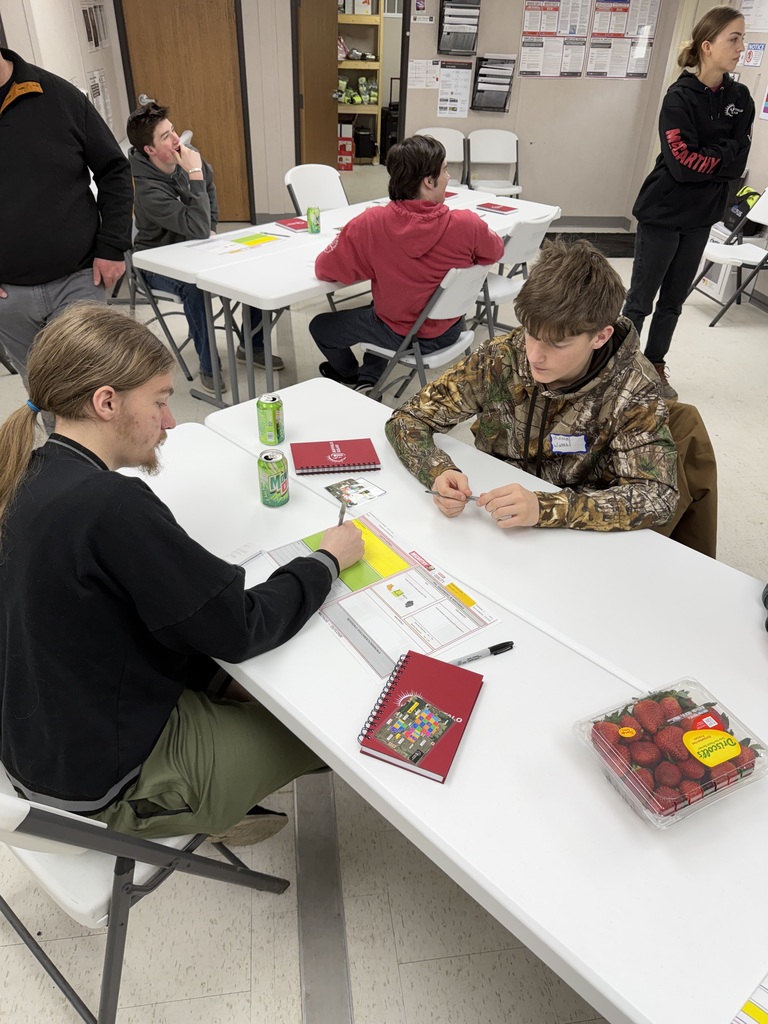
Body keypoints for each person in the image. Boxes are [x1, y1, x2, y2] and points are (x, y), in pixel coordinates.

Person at [0, 303, 364, 844]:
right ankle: (199, 805)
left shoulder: (25, 472)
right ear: (106, 403)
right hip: (105, 787)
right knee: (336, 730)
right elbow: (238, 629)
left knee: (236, 684)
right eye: (161, 401)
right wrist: (325, 560)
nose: (171, 421)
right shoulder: (112, 504)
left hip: (42, 742)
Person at [386, 238, 679, 532]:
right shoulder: (500, 357)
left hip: (574, 539)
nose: (535, 355)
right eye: (531, 333)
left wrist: (546, 508)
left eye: (557, 344)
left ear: (600, 337)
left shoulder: (634, 386)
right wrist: (438, 470)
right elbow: (408, 418)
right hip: (488, 519)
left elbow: (658, 497)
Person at [623, 6, 754, 402]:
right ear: (707, 45)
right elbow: (681, 165)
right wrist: (723, 154)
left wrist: (716, 156)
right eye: (734, 38)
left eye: (743, 38)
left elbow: (740, 162)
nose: (741, 47)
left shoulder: (741, 98)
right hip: (663, 213)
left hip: (702, 217)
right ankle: (618, 366)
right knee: (641, 299)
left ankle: (654, 364)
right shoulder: (678, 96)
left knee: (674, 301)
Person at [309, 134, 504, 394]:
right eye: (445, 170)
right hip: (451, 328)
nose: (448, 178)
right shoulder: (468, 225)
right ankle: (369, 377)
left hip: (400, 333)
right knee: (376, 307)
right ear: (429, 181)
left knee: (321, 326)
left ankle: (348, 373)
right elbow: (495, 251)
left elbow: (325, 268)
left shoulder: (370, 224)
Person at [126, 102, 283, 394]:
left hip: (194, 247)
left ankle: (253, 346)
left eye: (173, 130)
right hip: (154, 263)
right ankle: (209, 366)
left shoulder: (184, 160)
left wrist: (209, 227)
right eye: (165, 137)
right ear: (149, 150)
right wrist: (195, 178)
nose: (176, 140)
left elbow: (207, 185)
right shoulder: (148, 191)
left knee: (249, 264)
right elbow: (197, 201)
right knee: (195, 287)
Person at [0, 48, 132, 376]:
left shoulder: (58, 96)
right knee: (44, 392)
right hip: (9, 296)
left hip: (79, 277)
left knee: (89, 384)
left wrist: (112, 246)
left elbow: (114, 170)